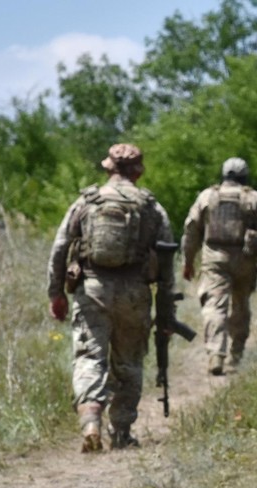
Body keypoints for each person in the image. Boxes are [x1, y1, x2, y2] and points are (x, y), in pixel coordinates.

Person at [47, 143, 177, 453]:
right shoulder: (151, 207)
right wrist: (166, 310)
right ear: (139, 171)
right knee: (129, 363)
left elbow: (60, 248)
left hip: (92, 289)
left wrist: (56, 293)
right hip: (135, 293)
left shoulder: (86, 201)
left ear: (108, 168)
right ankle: (121, 431)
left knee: (90, 357)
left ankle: (91, 421)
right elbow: (167, 260)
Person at [181, 157, 257, 375]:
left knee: (215, 305)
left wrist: (188, 261)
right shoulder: (255, 198)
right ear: (245, 176)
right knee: (240, 306)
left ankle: (216, 354)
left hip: (214, 258)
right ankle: (236, 354)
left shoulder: (207, 196)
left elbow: (191, 230)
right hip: (245, 260)